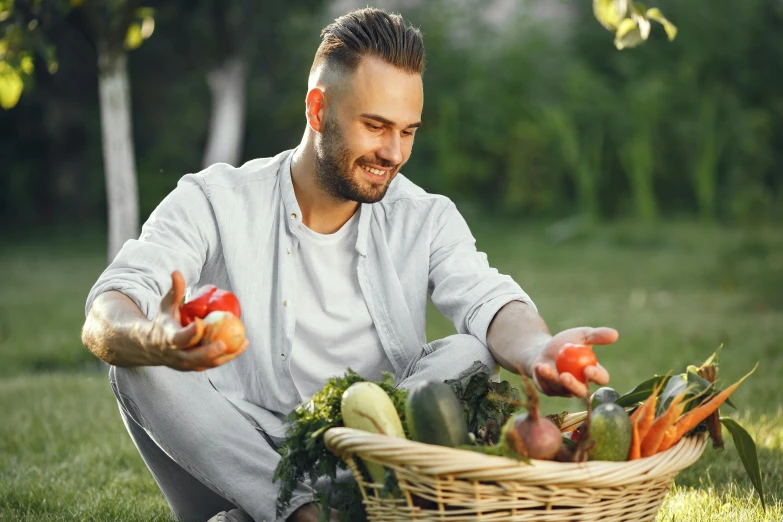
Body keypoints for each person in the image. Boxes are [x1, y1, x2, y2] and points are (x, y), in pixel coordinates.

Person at [81, 7, 618, 522]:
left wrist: (537, 349)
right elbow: (108, 308)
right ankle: (301, 512)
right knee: (134, 361)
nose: (394, 152)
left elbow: (487, 297)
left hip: (366, 455)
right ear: (318, 109)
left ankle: (280, 514)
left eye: (408, 130)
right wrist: (155, 339)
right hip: (232, 449)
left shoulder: (426, 216)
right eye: (376, 125)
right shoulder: (214, 199)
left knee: (473, 350)